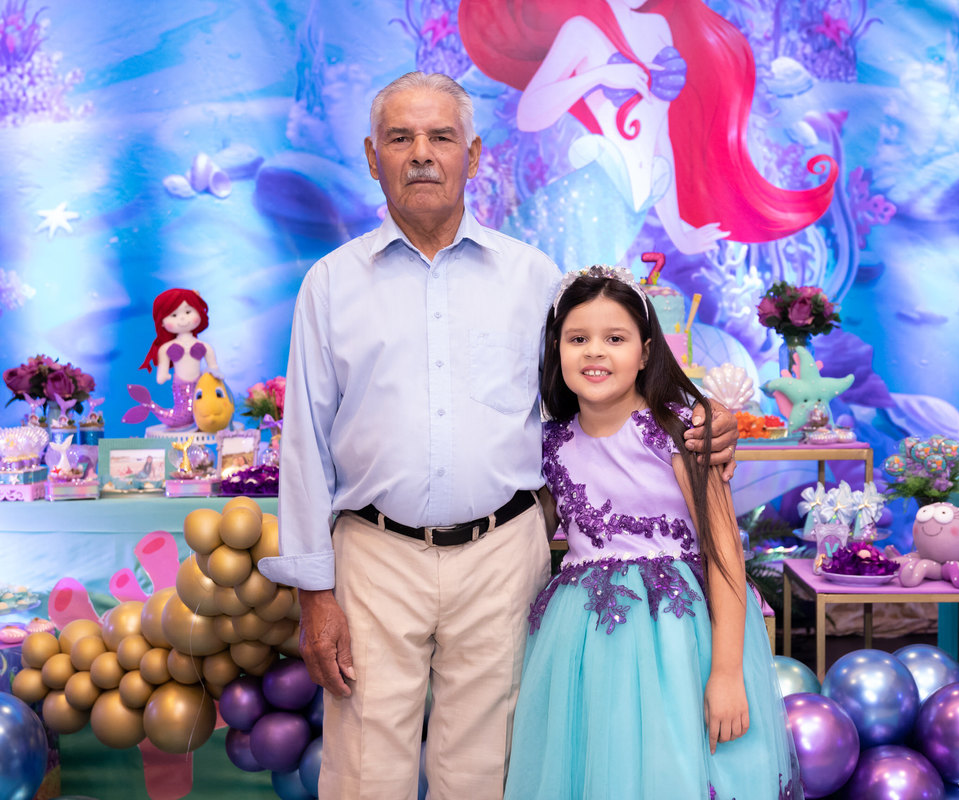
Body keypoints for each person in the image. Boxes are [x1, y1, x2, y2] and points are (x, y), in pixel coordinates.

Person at [257, 72, 737, 800]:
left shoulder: (532, 277)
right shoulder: (330, 284)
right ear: (372, 156)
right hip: (373, 555)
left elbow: (597, 391)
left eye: (441, 137)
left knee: (485, 768)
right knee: (364, 767)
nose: (422, 154)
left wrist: (700, 416)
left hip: (503, 553)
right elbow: (304, 446)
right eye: (400, 138)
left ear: (474, 155)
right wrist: (313, 593)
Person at [504, 266, 800, 799]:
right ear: (556, 349)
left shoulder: (680, 431)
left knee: (673, 767)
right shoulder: (548, 445)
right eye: (578, 339)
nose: (595, 352)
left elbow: (724, 552)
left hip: (678, 642)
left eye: (615, 339)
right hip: (584, 641)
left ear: (644, 352)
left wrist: (726, 673)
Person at [459, 0, 837, 265]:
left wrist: (680, 234)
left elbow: (659, 141)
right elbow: (530, 114)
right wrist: (599, 76)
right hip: (583, 206)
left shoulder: (659, 30)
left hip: (628, 212)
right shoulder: (582, 31)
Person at [123, 288, 220, 429]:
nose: (182, 319)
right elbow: (161, 373)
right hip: (180, 387)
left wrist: (213, 372)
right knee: (184, 414)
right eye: (174, 315)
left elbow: (213, 366)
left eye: (188, 312)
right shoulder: (166, 348)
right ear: (162, 322)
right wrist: (163, 375)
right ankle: (152, 406)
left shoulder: (204, 346)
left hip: (201, 386)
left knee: (203, 410)